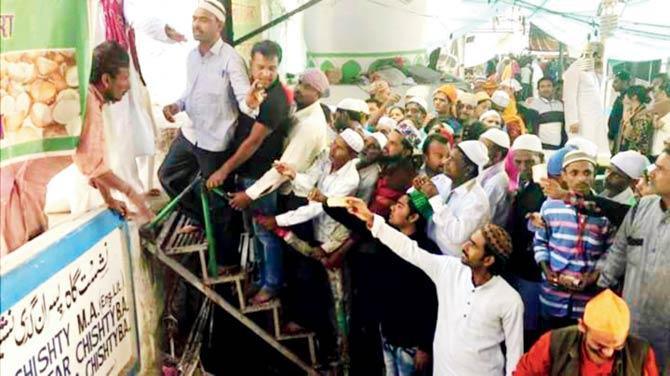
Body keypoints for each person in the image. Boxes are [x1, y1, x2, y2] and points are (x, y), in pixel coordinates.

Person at [344, 198, 524, 376]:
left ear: (488, 260)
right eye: (470, 240)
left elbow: (515, 357)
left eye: (473, 245)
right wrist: (371, 219)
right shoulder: (449, 269)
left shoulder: (509, 300)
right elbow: (409, 249)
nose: (465, 246)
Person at [158, 1, 262, 269]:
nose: (196, 24)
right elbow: (190, 92)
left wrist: (250, 101)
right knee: (168, 176)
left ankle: (226, 262)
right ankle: (199, 220)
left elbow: (244, 102)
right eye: (194, 18)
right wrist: (176, 105)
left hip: (215, 142)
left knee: (219, 203)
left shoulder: (231, 60)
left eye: (203, 19)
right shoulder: (192, 57)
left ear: (219, 25)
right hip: (190, 133)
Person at [203, 40, 291, 302]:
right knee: (255, 230)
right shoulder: (251, 93)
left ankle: (272, 284)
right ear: (251, 65)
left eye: (271, 68)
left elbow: (253, 142)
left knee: (266, 232)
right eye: (261, 67)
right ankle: (262, 277)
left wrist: (224, 169)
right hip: (247, 171)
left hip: (261, 174)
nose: (266, 74)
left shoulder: (275, 101)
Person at [598, 144, 670, 371]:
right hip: (629, 323)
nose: (652, 173)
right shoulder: (642, 207)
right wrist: (603, 284)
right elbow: (619, 251)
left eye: (660, 169)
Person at [228, 68, 330, 211]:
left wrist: (249, 195)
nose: (299, 89)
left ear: (317, 94)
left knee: (269, 230)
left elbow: (285, 168)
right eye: (299, 83)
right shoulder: (295, 106)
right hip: (277, 183)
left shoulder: (310, 125)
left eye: (307, 87)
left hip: (294, 194)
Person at [74, 41, 153, 221]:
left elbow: (96, 162)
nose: (128, 85)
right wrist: (132, 194)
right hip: (26, 185)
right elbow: (91, 165)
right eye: (124, 78)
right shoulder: (90, 106)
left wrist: (109, 199)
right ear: (106, 80)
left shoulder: (93, 100)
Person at [533, 150, 613, 330]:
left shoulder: (604, 209)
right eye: (574, 173)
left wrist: (593, 277)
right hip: (552, 297)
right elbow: (540, 242)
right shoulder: (550, 205)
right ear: (563, 176)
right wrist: (547, 270)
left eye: (587, 173)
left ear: (594, 175)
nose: (581, 179)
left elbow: (612, 251)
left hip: (587, 304)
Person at [513, 289, 659, 375]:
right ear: (582, 327)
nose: (608, 353)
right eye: (599, 346)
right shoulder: (555, 343)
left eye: (617, 347)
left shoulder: (641, 354)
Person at [506, 135, 548, 349]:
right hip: (516, 263)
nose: (523, 167)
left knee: (528, 329)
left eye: (529, 162)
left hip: (532, 268)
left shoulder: (545, 187)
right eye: (518, 162)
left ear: (540, 159)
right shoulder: (524, 183)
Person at [414, 140, 491, 256]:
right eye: (448, 157)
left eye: (452, 159)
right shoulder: (443, 180)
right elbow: (426, 211)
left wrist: (435, 198)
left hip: (449, 260)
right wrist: (418, 192)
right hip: (429, 246)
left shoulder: (477, 201)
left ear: (469, 169)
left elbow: (456, 235)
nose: (445, 161)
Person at [562, 42, 610, 160]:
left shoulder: (593, 71)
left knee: (597, 149)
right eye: (597, 55)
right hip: (582, 119)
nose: (599, 58)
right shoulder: (575, 68)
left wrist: (598, 71)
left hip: (595, 117)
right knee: (582, 150)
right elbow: (569, 96)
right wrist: (572, 120)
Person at [478, 128, 511, 227]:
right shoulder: (484, 170)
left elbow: (482, 217)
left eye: (483, 148)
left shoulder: (498, 180)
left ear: (498, 155)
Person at [524, 77, 566, 150]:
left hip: (559, 147)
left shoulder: (560, 104)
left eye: (549, 86)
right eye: (542, 86)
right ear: (538, 89)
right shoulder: (534, 105)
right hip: (542, 147)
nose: (546, 89)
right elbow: (531, 128)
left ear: (553, 88)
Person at [617, 85, 654, 156]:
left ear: (634, 97)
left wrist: (627, 123)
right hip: (626, 151)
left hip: (636, 155)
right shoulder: (631, 112)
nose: (625, 96)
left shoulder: (643, 115)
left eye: (627, 94)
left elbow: (638, 137)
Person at [356, 133, 387, 204]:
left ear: (379, 153)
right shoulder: (352, 158)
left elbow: (360, 204)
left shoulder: (370, 179)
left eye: (372, 146)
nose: (365, 147)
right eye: (365, 142)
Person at [608, 70, 632, 145]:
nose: (613, 84)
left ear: (625, 82)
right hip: (615, 134)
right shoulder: (621, 97)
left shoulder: (629, 99)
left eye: (616, 82)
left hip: (621, 136)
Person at [649, 81, 670, 158]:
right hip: (658, 150)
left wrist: (655, 114)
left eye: (657, 93)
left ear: (663, 93)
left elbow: (657, 125)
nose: (655, 96)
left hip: (661, 151)